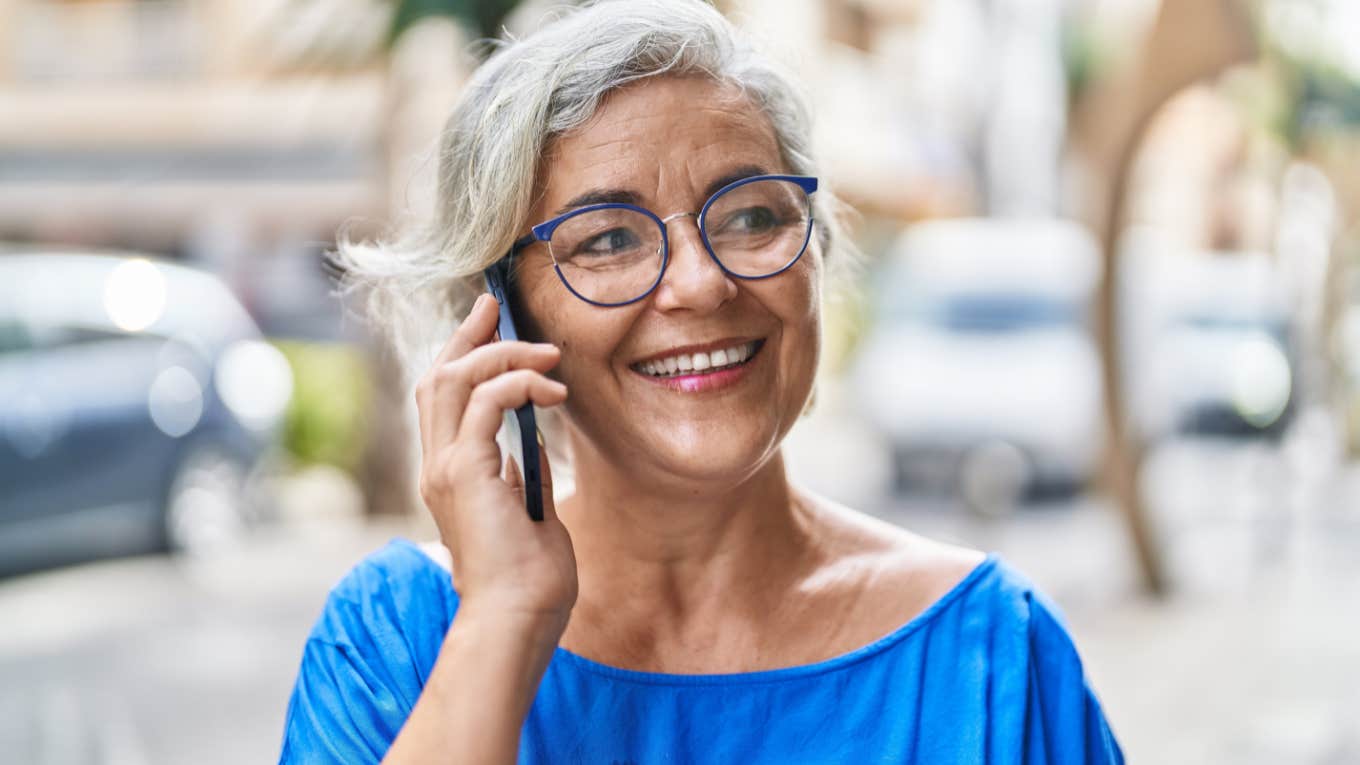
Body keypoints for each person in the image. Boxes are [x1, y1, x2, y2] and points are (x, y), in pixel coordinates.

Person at [278, 1, 1124, 762]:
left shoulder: (992, 654)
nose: (701, 284)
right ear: (497, 315)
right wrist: (504, 614)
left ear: (814, 255)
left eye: (751, 216)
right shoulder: (394, 641)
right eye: (608, 239)